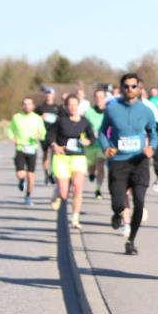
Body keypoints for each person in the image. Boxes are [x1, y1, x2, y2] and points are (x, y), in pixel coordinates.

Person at [98, 73, 158, 255]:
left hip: (139, 161)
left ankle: (131, 240)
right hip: (118, 162)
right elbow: (102, 132)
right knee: (118, 202)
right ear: (122, 88)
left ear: (139, 88)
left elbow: (153, 133)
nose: (130, 89)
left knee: (139, 202)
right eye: (126, 86)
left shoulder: (147, 110)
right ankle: (117, 213)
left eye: (133, 86)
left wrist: (152, 148)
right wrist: (106, 147)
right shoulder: (112, 109)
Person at [48, 94, 96, 229]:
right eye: (70, 105)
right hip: (62, 158)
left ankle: (75, 217)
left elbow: (92, 137)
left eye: (75, 104)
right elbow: (49, 136)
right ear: (65, 106)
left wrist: (88, 141)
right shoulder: (60, 121)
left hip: (78, 158)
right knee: (64, 193)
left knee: (77, 188)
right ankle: (57, 191)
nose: (73, 107)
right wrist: (54, 146)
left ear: (78, 106)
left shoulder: (84, 122)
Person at [7, 96, 47, 206]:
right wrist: (12, 137)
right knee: (20, 173)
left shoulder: (37, 118)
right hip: (20, 147)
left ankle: (28, 196)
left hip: (32, 148)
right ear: (22, 106)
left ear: (33, 106)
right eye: (25, 104)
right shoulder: (17, 117)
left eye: (29, 104)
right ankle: (21, 180)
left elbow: (43, 133)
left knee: (31, 175)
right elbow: (10, 129)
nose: (27, 106)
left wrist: (39, 135)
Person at [36, 87, 64, 184]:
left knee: (53, 154)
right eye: (47, 94)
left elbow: (62, 119)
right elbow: (34, 119)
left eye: (50, 93)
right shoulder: (40, 107)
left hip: (54, 134)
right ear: (45, 95)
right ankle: (46, 173)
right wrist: (40, 117)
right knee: (45, 155)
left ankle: (52, 172)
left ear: (53, 95)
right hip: (43, 134)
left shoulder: (58, 107)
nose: (48, 95)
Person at [84, 88, 108, 200]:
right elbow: (83, 128)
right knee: (91, 167)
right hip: (90, 145)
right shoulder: (88, 112)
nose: (99, 99)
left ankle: (98, 189)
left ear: (105, 98)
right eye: (97, 97)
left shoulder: (109, 112)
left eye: (101, 97)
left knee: (101, 164)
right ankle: (91, 174)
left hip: (103, 145)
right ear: (94, 98)